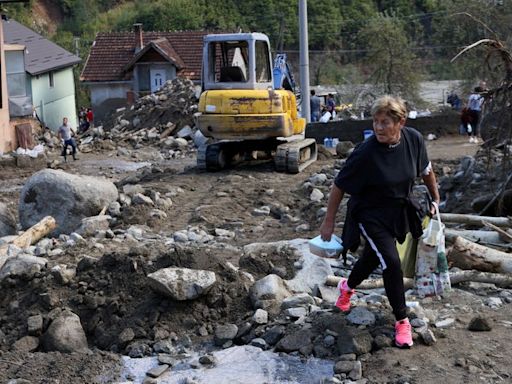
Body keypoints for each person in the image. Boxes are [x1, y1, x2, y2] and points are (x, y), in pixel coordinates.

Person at [319, 95, 440, 349]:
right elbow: (339, 186)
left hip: (398, 211)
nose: (378, 128)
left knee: (374, 257)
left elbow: (426, 170)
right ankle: (402, 320)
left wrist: (435, 198)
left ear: (401, 122)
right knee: (392, 262)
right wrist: (328, 222)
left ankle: (347, 287)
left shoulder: (413, 140)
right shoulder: (365, 153)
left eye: (385, 122)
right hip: (369, 214)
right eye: (375, 122)